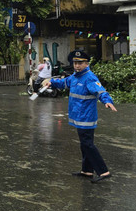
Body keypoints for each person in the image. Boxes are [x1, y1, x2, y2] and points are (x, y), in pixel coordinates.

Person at [43, 50, 117, 184]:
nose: (77, 66)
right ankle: (87, 171)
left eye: (80, 63)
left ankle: (103, 171)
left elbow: (100, 90)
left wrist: (107, 101)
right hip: (78, 116)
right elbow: (64, 82)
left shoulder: (89, 77)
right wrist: (52, 82)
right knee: (84, 145)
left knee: (88, 145)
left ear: (86, 63)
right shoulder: (75, 76)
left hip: (87, 117)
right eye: (75, 63)